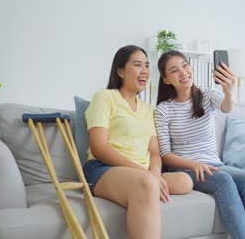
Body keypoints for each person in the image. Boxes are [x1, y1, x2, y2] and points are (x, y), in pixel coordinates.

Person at [154, 50, 245, 239]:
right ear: (166, 79)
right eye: (175, 71)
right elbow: (165, 155)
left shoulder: (207, 94)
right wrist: (194, 164)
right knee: (224, 181)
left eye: (185, 66)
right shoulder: (163, 110)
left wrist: (228, 92)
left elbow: (226, 107)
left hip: (214, 165)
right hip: (186, 170)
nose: (183, 73)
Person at [83, 45, 193, 239]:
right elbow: (98, 147)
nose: (144, 71)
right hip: (103, 169)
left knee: (185, 182)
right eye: (137, 65)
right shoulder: (105, 97)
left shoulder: (148, 109)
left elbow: (154, 153)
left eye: (147, 65)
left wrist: (156, 175)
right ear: (121, 71)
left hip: (142, 174)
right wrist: (146, 175)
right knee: (148, 183)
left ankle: (145, 187)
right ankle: (145, 186)